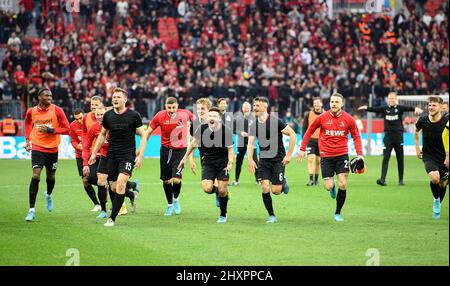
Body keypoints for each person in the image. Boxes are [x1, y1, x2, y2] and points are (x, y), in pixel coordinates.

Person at [298, 93, 364, 222]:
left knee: (343, 183)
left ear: (342, 104)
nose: (334, 104)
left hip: (342, 155)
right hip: (326, 156)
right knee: (328, 186)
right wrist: (302, 148)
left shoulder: (348, 119)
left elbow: (356, 136)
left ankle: (338, 213)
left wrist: (359, 154)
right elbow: (309, 131)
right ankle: (332, 186)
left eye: (336, 102)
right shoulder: (323, 117)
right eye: (332, 102)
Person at [88, 87, 147, 227]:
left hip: (127, 155)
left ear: (125, 100)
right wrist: (93, 153)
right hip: (111, 156)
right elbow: (102, 135)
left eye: (118, 97)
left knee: (120, 185)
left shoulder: (134, 116)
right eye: (114, 97)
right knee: (114, 188)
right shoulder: (108, 116)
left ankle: (112, 218)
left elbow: (143, 135)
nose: (115, 99)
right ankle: (131, 195)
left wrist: (140, 155)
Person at [178, 107, 234, 223]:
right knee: (207, 188)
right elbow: (193, 144)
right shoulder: (202, 129)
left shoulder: (226, 131)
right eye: (210, 116)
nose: (211, 118)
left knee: (223, 190)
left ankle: (223, 215)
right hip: (208, 162)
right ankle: (218, 191)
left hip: (222, 162)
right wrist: (184, 158)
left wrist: (230, 162)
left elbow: (230, 150)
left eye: (214, 116)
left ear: (219, 119)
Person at [247, 97, 297, 223]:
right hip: (263, 160)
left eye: (258, 105)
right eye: (254, 105)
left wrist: (289, 155)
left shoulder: (275, 121)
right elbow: (250, 144)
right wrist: (250, 160)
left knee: (276, 191)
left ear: (265, 107)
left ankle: (283, 181)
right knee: (264, 187)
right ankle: (272, 215)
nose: (255, 107)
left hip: (278, 159)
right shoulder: (254, 125)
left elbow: (293, 134)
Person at [84, 106, 139, 219]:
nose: (99, 117)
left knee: (115, 186)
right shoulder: (94, 128)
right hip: (105, 157)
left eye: (102, 115)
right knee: (101, 181)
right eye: (97, 115)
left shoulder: (114, 124)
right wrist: (91, 156)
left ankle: (127, 199)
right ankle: (103, 210)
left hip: (118, 157)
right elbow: (87, 144)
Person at [24, 88, 70, 221]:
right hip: (38, 146)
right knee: (35, 175)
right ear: (39, 97)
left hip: (52, 148)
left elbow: (67, 129)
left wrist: (52, 130)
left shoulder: (57, 110)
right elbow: (27, 122)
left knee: (51, 176)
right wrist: (28, 140)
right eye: (46, 95)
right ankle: (31, 210)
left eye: (50, 95)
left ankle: (48, 195)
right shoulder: (31, 111)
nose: (49, 97)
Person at [358, 92, 423, 186]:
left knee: (400, 159)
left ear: (396, 99)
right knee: (385, 158)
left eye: (393, 98)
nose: (391, 100)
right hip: (388, 137)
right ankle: (382, 179)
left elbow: (408, 108)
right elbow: (375, 109)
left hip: (398, 137)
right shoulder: (385, 108)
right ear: (388, 99)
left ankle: (401, 180)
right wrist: (366, 108)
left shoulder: (399, 108)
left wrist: (415, 108)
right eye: (390, 98)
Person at [144, 97, 193, 216]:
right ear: (165, 106)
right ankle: (169, 204)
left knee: (176, 179)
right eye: (169, 107)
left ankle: (175, 199)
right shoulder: (160, 116)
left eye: (173, 107)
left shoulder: (186, 114)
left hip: (180, 150)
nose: (171, 110)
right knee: (166, 181)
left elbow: (198, 123)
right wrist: (142, 147)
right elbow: (149, 131)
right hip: (165, 150)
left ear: (177, 106)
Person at [414, 96, 449, 220]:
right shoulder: (423, 120)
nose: (431, 107)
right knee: (435, 178)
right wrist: (417, 148)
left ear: (440, 107)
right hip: (429, 156)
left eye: (434, 105)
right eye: (429, 105)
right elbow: (416, 131)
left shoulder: (446, 122)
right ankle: (436, 200)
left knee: (443, 183)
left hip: (444, 157)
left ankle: (438, 203)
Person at [81, 96, 103, 212]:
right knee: (86, 179)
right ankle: (97, 204)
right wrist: (84, 146)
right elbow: (85, 135)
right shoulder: (86, 118)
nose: (94, 108)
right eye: (92, 105)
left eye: (96, 105)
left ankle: (129, 192)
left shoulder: (107, 118)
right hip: (92, 154)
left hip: (105, 154)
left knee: (110, 181)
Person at [229, 101, 258, 186]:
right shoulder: (238, 119)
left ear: (250, 108)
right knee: (239, 162)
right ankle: (236, 180)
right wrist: (240, 132)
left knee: (255, 161)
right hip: (241, 143)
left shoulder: (254, 119)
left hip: (252, 143)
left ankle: (258, 180)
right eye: (245, 108)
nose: (246, 109)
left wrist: (252, 134)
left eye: (248, 108)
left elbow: (258, 129)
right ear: (242, 109)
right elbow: (233, 130)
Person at [302, 97, 324, 186]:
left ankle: (316, 180)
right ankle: (311, 179)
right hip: (311, 140)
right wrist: (304, 140)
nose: (316, 104)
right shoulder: (308, 114)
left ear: (321, 104)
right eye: (315, 103)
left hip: (321, 141)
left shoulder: (325, 115)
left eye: (318, 103)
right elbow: (304, 128)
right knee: (311, 159)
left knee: (318, 161)